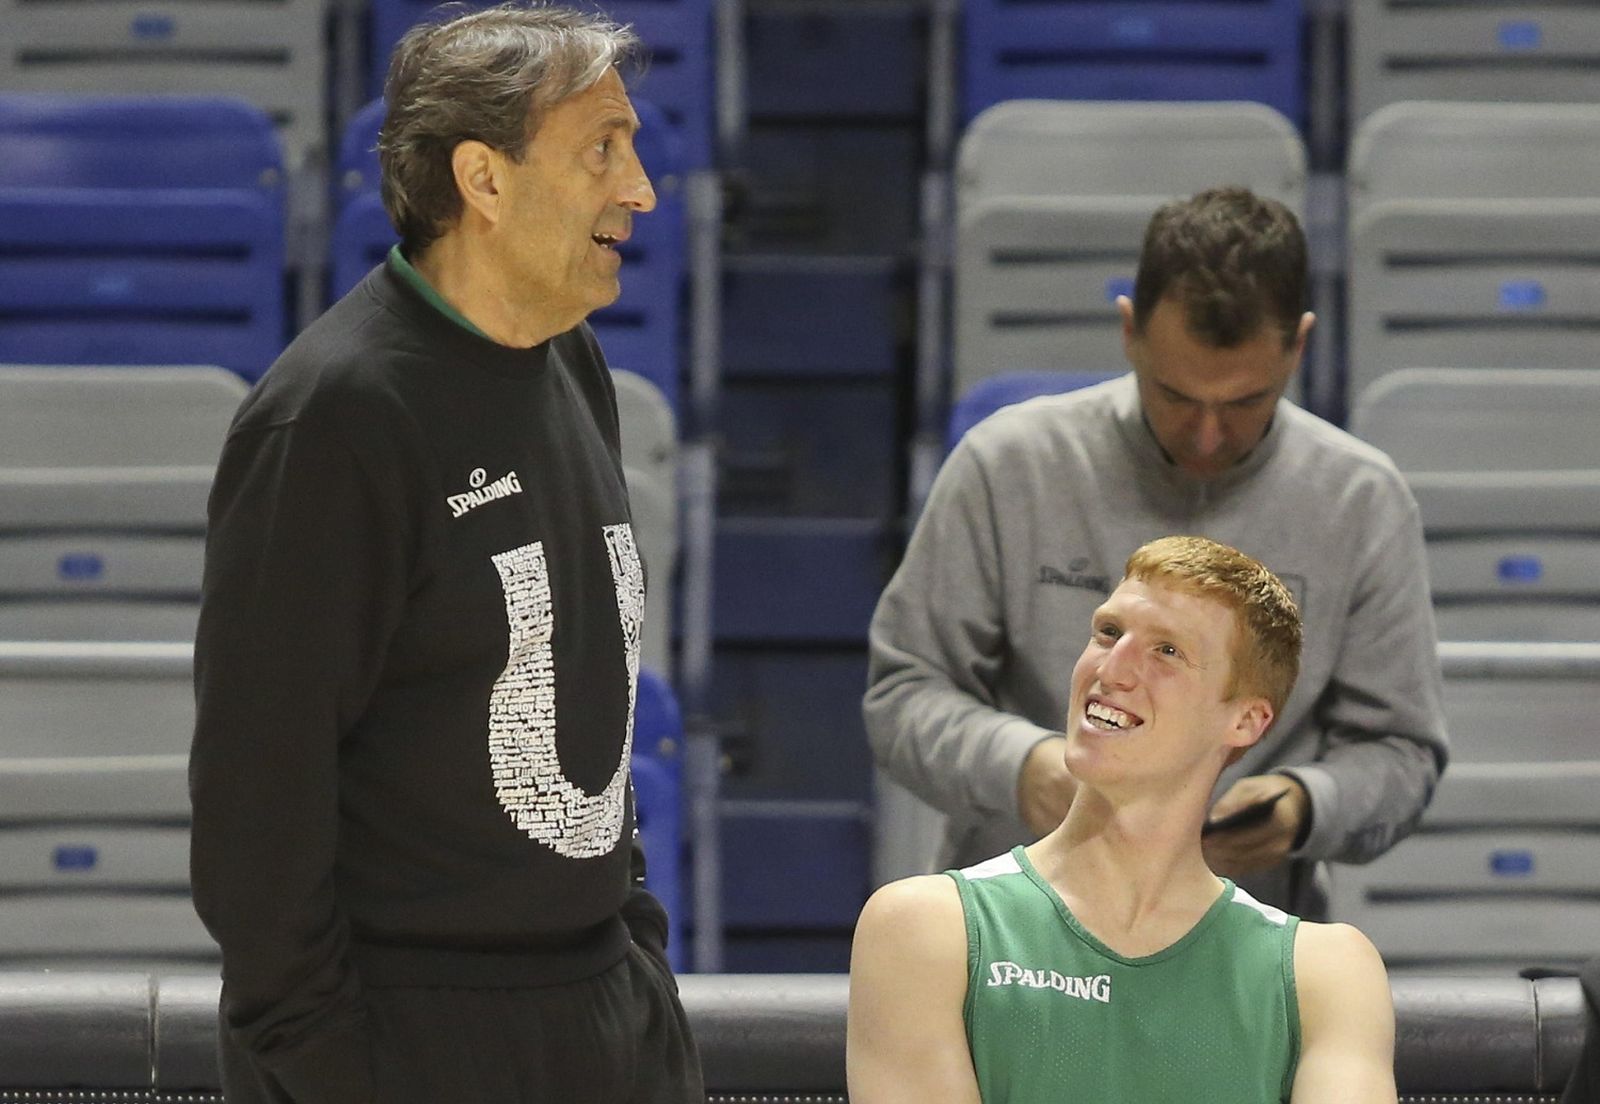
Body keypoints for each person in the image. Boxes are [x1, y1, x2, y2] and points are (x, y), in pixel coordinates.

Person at [188, 7, 702, 1103]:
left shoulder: (573, 360)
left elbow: (593, 715)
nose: (641, 188)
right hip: (406, 1035)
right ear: (485, 178)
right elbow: (256, 817)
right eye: (602, 148)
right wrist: (336, 1069)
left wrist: (636, 969)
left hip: (599, 1013)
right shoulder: (334, 418)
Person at [865, 187, 1448, 917]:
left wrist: (1306, 804)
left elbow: (1401, 751)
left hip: (1244, 942)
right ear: (1129, 331)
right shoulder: (1007, 465)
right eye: (1175, 396)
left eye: (1243, 403)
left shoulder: (1361, 501)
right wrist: (1029, 769)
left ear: (1299, 345)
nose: (1207, 436)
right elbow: (902, 694)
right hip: (1015, 927)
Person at [849, 536, 1398, 1103]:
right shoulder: (924, 928)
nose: (1112, 670)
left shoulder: (1327, 972)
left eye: (1167, 651)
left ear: (1246, 721)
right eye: (1108, 633)